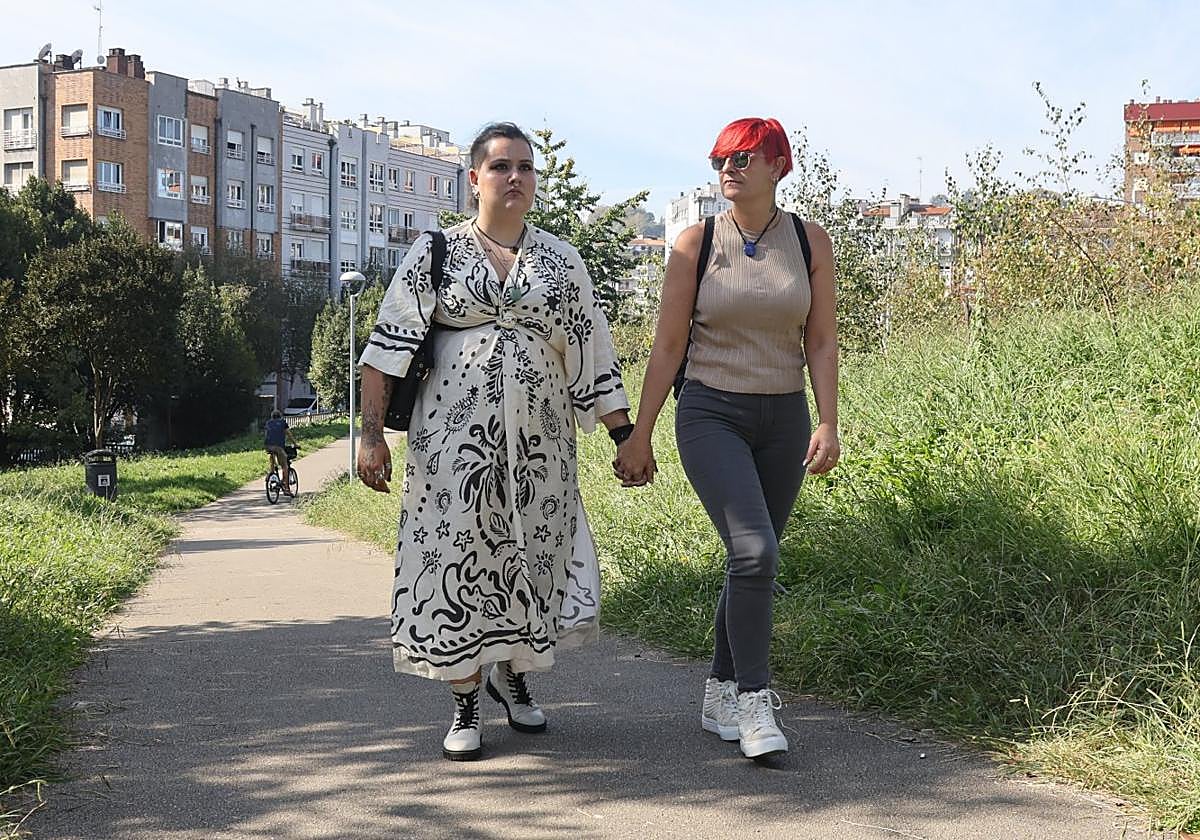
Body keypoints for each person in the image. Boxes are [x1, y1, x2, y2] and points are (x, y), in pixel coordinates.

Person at [356, 122, 642, 762]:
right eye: (501, 167)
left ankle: (512, 675)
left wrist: (625, 435)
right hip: (452, 453)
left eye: (525, 167)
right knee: (458, 563)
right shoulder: (436, 253)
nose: (515, 177)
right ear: (474, 180)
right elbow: (387, 350)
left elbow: (591, 350)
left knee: (526, 563)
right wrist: (372, 438)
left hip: (542, 455)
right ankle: (464, 700)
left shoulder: (560, 260)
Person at [614, 117, 840, 760]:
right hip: (711, 413)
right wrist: (641, 434)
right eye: (720, 158)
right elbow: (667, 344)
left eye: (744, 157)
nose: (729, 168)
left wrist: (828, 420)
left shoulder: (810, 240)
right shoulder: (693, 242)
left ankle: (718, 689)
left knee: (751, 560)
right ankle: (754, 702)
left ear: (777, 164)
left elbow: (820, 341)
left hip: (785, 418)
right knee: (756, 551)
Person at [264, 409, 298, 497]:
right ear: (280, 416)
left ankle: (271, 473)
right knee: (285, 466)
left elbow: (267, 435)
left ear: (272, 417)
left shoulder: (268, 423)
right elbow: (289, 434)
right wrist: (295, 444)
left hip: (268, 446)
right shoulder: (283, 423)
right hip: (279, 447)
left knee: (272, 454)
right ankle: (286, 488)